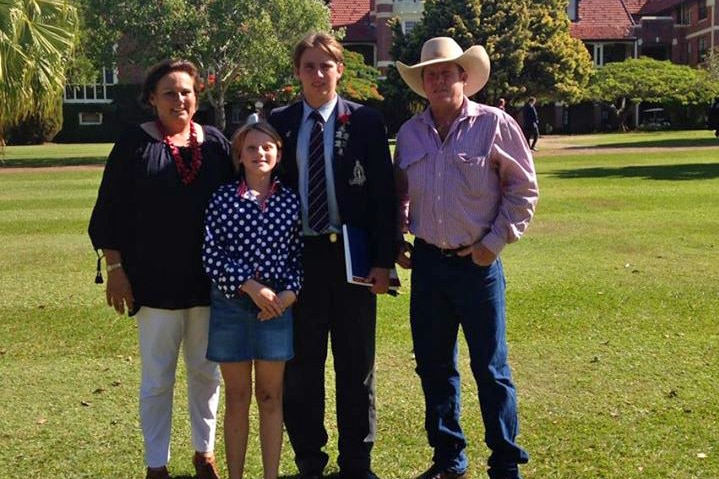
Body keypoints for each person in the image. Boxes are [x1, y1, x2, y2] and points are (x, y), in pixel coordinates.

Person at [394, 37, 538, 479]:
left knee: (491, 369)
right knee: (434, 367)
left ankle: (505, 462)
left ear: (464, 77)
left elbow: (523, 190)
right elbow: (400, 194)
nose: (438, 79)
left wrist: (493, 243)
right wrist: (397, 237)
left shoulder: (495, 124)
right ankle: (449, 460)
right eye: (430, 74)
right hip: (429, 265)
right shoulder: (410, 133)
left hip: (477, 267)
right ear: (422, 82)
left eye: (447, 71)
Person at [88, 59, 234, 479]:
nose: (179, 100)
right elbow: (109, 212)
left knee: (207, 374)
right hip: (153, 285)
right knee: (157, 379)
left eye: (186, 91)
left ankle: (204, 453)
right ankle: (157, 463)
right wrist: (115, 268)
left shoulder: (216, 145)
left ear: (197, 97)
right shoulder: (135, 145)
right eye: (169, 92)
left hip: (210, 285)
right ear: (152, 99)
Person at [268, 32, 396, 479]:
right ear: (298, 72)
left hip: (353, 257)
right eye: (309, 66)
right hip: (298, 261)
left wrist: (384, 261)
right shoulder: (277, 123)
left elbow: (383, 196)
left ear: (340, 69)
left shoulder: (365, 122)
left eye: (327, 65)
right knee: (301, 367)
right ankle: (310, 461)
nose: (318, 74)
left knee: (356, 364)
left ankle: (357, 463)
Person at [203, 120, 302, 479]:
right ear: (239, 156)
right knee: (238, 397)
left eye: (266, 148)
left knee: (270, 397)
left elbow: (298, 255)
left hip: (277, 308)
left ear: (278, 154)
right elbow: (211, 255)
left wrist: (288, 295)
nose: (259, 154)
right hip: (232, 305)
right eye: (251, 149)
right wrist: (249, 286)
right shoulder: (223, 198)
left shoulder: (290, 201)